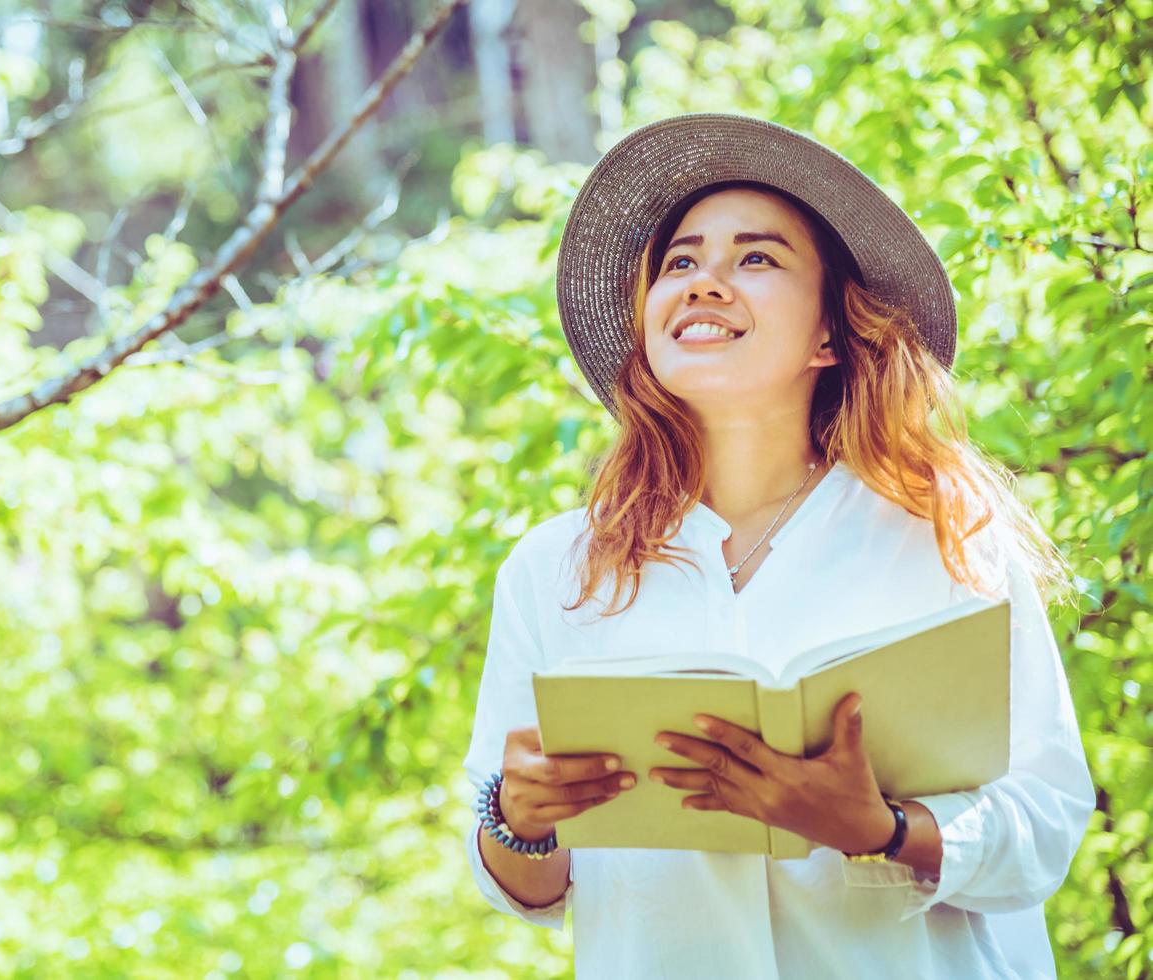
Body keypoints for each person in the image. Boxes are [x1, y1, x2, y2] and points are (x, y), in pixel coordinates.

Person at [462, 113, 1095, 978]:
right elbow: (525, 889)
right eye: (680, 262)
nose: (705, 282)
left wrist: (881, 831)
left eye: (755, 259)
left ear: (831, 335)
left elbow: (1046, 824)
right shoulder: (553, 570)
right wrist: (520, 819)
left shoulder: (947, 535)